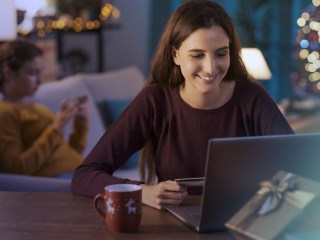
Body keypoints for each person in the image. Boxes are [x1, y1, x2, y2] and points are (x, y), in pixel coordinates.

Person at [71, 0, 294, 209]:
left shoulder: (251, 97)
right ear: (176, 55)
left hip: (241, 222)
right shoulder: (155, 99)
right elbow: (85, 175)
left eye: (221, 54)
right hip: (172, 226)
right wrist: (141, 192)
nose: (210, 68)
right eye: (197, 55)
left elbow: (300, 165)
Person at [0, 39, 89, 179]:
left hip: (78, 171)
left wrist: (80, 125)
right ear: (9, 73)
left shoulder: (39, 108)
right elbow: (19, 168)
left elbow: (70, 154)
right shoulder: (4, 113)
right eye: (32, 73)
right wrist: (56, 127)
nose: (40, 80)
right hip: (56, 181)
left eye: (40, 72)